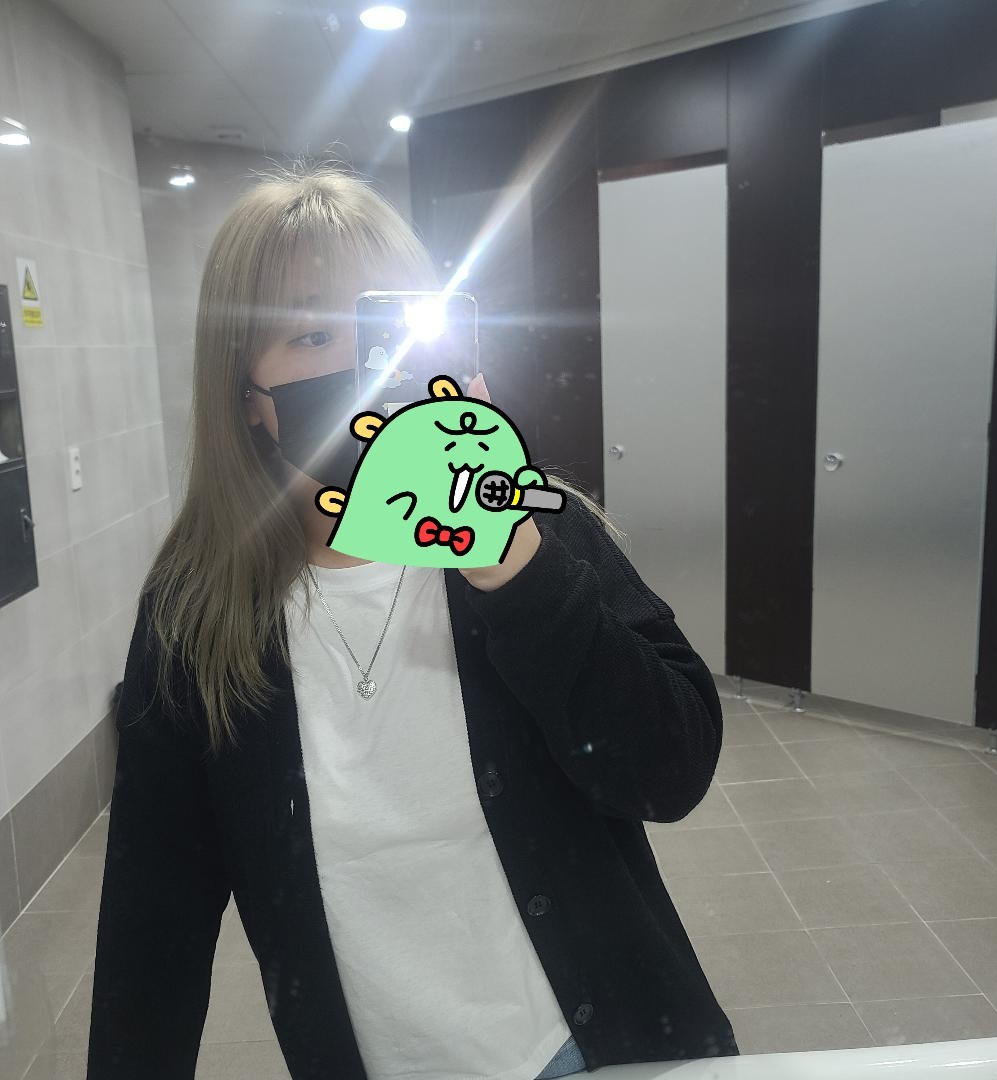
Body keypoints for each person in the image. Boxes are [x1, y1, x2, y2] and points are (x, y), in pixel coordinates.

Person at [86, 160, 738, 1079]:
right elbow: (154, 926)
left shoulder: (536, 528)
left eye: (388, 325)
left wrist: (517, 572)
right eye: (315, 333)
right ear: (248, 401)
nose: (366, 367)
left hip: (605, 1050)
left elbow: (671, 773)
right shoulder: (196, 614)